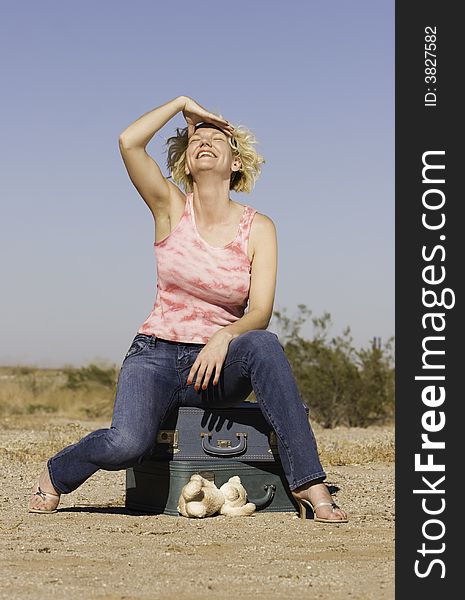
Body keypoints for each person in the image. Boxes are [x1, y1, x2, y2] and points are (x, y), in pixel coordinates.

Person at [28, 95, 348, 523]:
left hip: (218, 366)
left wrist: (222, 337)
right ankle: (56, 474)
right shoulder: (170, 208)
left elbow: (260, 311)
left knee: (264, 344)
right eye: (197, 137)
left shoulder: (259, 228)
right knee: (127, 444)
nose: (206, 141)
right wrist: (182, 104)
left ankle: (309, 481)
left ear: (237, 163)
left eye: (219, 138)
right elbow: (129, 142)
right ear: (186, 161)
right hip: (155, 356)